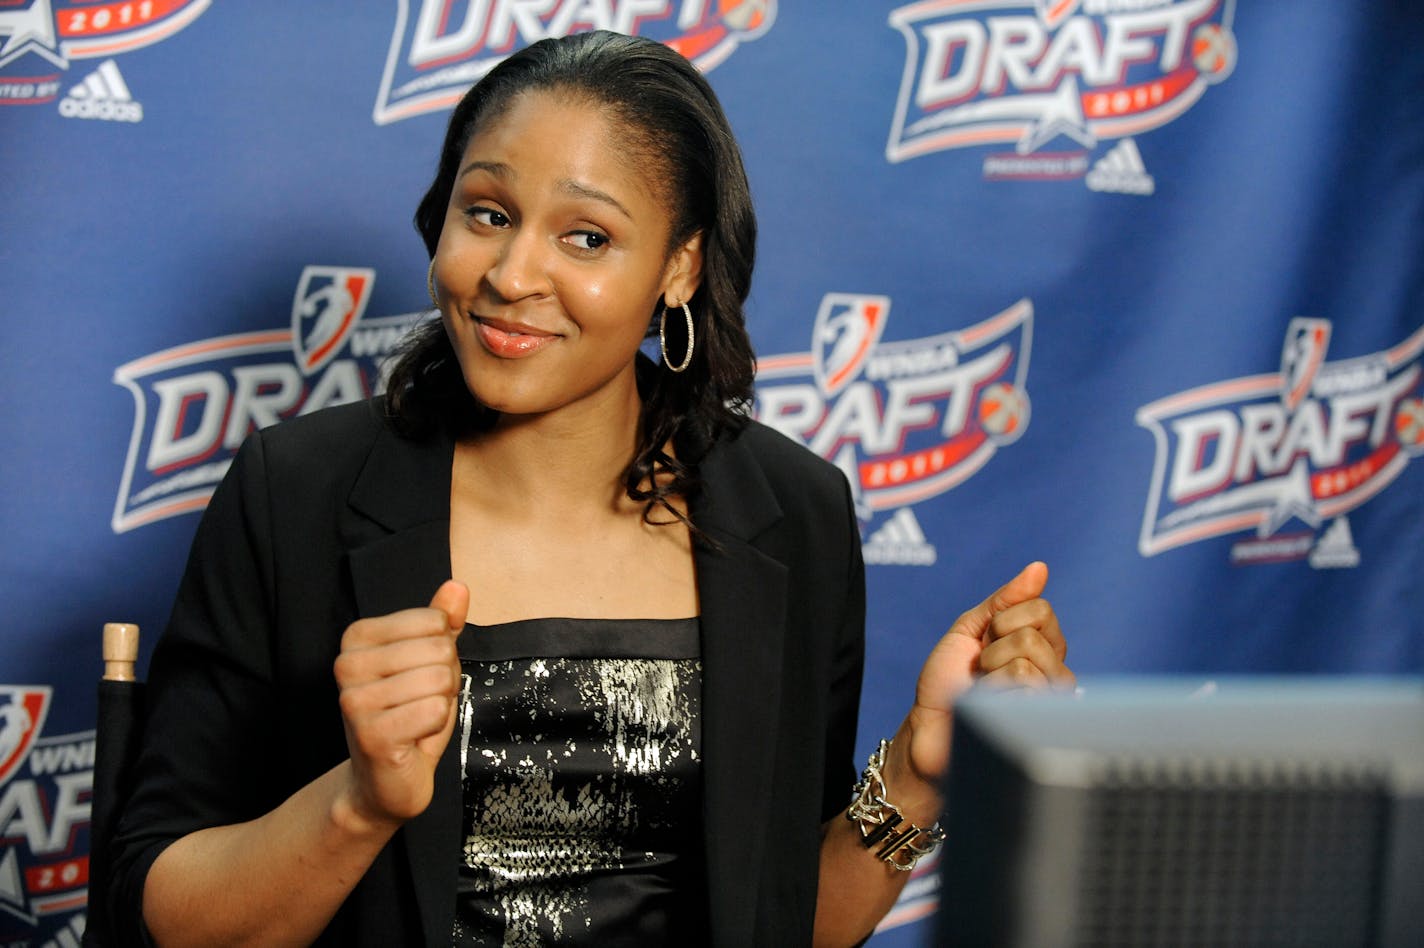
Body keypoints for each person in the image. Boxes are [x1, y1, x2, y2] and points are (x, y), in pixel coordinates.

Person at [109, 30, 1074, 947]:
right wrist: (356, 804)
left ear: (679, 266)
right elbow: (166, 913)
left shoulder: (792, 513)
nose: (513, 273)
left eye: (586, 238)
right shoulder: (298, 493)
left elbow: (781, 920)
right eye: (487, 213)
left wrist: (912, 776)